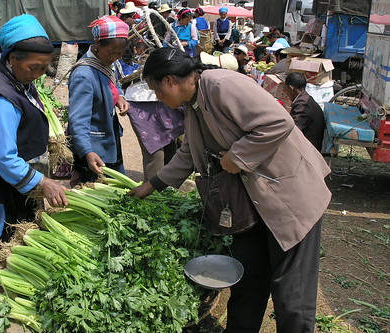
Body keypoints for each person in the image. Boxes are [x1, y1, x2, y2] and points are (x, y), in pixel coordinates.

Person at [129, 47, 331, 333]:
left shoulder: (222, 85)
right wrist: (153, 184)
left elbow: (278, 122)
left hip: (288, 197)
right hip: (250, 205)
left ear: (170, 81)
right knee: (248, 281)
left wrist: (236, 157)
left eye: (157, 91)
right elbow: (190, 151)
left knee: (291, 293)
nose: (159, 99)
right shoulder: (193, 102)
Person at [0, 14, 67, 251]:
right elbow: (4, 157)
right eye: (34, 67)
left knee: (22, 234)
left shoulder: (9, 74)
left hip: (17, 177)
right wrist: (43, 181)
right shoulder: (0, 97)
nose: (38, 74)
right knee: (14, 237)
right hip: (8, 184)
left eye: (43, 67)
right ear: (11, 57)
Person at [67, 16, 130, 187]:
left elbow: (113, 81)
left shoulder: (105, 62)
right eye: (112, 52)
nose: (116, 57)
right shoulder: (84, 75)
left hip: (108, 138)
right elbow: (78, 120)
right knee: (95, 189)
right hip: (93, 146)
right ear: (97, 45)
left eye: (120, 53)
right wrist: (87, 152)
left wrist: (120, 98)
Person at [125, 80, 185, 181]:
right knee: (154, 150)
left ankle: (169, 186)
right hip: (139, 99)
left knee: (170, 142)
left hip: (167, 92)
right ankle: (153, 191)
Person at [285, 72, 326, 152]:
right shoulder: (305, 99)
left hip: (308, 150)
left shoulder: (303, 105)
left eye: (285, 88)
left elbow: (293, 130)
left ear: (291, 88)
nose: (285, 91)